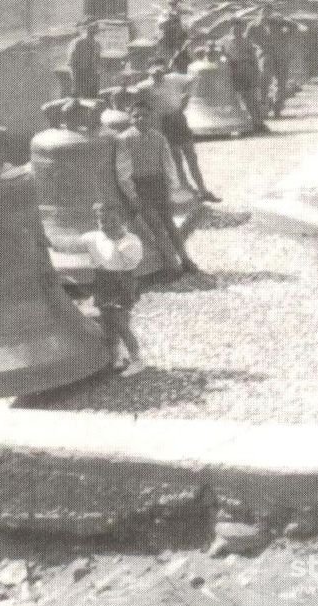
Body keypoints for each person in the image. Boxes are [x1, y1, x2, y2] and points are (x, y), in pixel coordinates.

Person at [116, 100, 200, 275]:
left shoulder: (158, 138)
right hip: (140, 188)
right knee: (156, 226)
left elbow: (168, 164)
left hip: (159, 185)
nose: (140, 119)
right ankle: (172, 264)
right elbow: (123, 171)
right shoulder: (124, 139)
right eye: (136, 116)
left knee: (170, 225)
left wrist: (171, 187)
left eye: (144, 115)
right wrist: (132, 195)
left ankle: (185, 258)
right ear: (130, 119)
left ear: (151, 117)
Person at [70, 202, 145, 375]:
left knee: (121, 322)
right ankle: (117, 356)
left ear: (122, 221)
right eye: (102, 221)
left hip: (121, 283)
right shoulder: (93, 237)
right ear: (97, 222)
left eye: (113, 221)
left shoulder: (130, 242)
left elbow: (129, 265)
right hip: (102, 283)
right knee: (107, 322)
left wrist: (114, 243)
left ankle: (137, 359)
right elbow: (70, 244)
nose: (107, 225)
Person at [136, 58, 220, 202]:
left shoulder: (173, 78)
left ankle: (203, 190)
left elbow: (194, 78)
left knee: (191, 156)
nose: (158, 72)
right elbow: (142, 105)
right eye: (154, 70)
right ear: (148, 70)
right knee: (176, 158)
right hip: (163, 122)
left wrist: (186, 97)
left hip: (178, 119)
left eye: (160, 69)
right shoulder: (144, 87)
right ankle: (187, 189)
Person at [221, 18, 267, 132]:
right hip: (231, 71)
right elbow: (221, 55)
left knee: (251, 98)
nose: (236, 30)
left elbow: (254, 59)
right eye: (234, 27)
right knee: (232, 100)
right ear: (230, 28)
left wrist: (256, 73)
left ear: (242, 29)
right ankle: (239, 124)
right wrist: (224, 60)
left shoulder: (247, 41)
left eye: (239, 27)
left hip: (246, 71)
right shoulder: (224, 42)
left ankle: (258, 123)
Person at [68, 18, 102, 98]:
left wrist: (97, 75)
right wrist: (75, 82)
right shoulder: (77, 43)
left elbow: (98, 61)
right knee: (80, 103)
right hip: (80, 76)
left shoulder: (97, 44)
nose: (94, 29)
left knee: (93, 102)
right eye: (92, 26)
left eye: (96, 27)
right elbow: (72, 63)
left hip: (93, 78)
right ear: (86, 28)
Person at [157, 0, 190, 72]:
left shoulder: (181, 14)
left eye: (177, 4)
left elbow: (185, 27)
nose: (176, 6)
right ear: (170, 5)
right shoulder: (165, 13)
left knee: (181, 62)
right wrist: (170, 20)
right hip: (168, 42)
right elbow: (160, 25)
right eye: (173, 4)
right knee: (167, 62)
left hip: (179, 41)